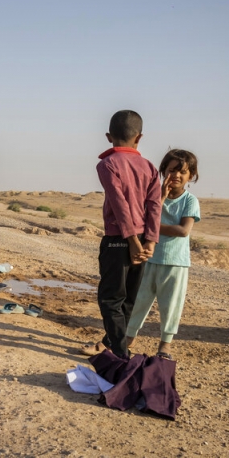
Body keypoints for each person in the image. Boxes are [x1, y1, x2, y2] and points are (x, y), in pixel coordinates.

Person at [82, 110, 162, 358]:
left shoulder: (107, 164)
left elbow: (119, 205)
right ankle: (119, 348)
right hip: (141, 243)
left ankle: (119, 354)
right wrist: (149, 240)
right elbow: (155, 206)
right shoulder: (149, 167)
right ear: (139, 137)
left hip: (120, 241)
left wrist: (133, 241)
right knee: (127, 299)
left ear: (108, 136)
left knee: (110, 300)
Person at [126, 149, 201, 360]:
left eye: (182, 172)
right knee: (138, 301)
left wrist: (152, 226)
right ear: (163, 171)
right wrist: (160, 198)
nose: (176, 176)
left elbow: (183, 230)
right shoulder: (152, 196)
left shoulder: (189, 201)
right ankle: (128, 339)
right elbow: (140, 218)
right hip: (148, 259)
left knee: (171, 306)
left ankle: (165, 345)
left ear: (191, 175)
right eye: (171, 170)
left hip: (175, 263)